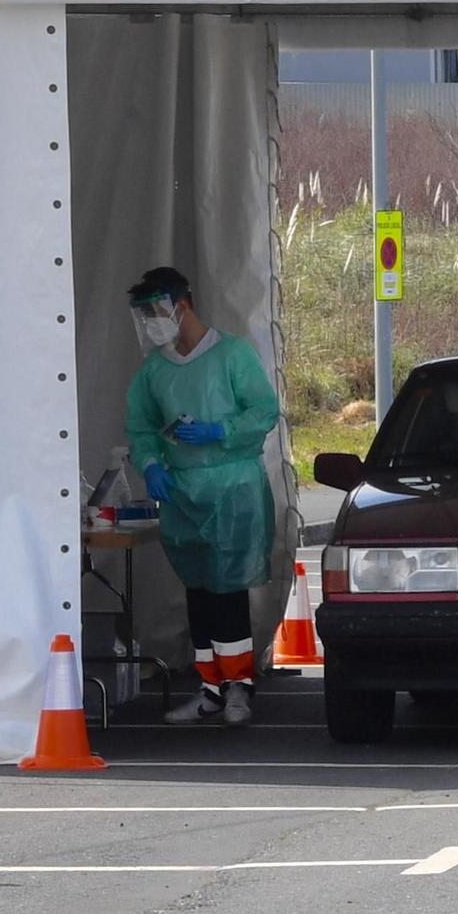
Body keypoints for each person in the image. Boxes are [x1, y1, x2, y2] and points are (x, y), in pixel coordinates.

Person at [124, 267, 280, 727]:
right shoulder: (156, 370)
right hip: (184, 491)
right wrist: (150, 464)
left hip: (232, 487)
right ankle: (210, 687)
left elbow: (263, 410)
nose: (153, 321)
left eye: (156, 310)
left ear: (181, 304)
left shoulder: (232, 355)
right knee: (199, 591)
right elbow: (140, 425)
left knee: (227, 591)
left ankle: (238, 688)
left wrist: (221, 430)